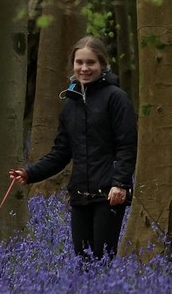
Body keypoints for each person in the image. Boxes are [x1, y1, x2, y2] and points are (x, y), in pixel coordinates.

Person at [10, 36, 137, 260]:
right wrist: (30, 173)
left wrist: (120, 184)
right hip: (79, 195)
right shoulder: (71, 103)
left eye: (90, 63)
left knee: (102, 259)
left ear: (102, 65)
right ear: (73, 65)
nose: (84, 68)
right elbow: (61, 152)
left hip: (109, 195)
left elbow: (127, 146)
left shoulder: (116, 99)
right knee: (82, 260)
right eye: (79, 63)